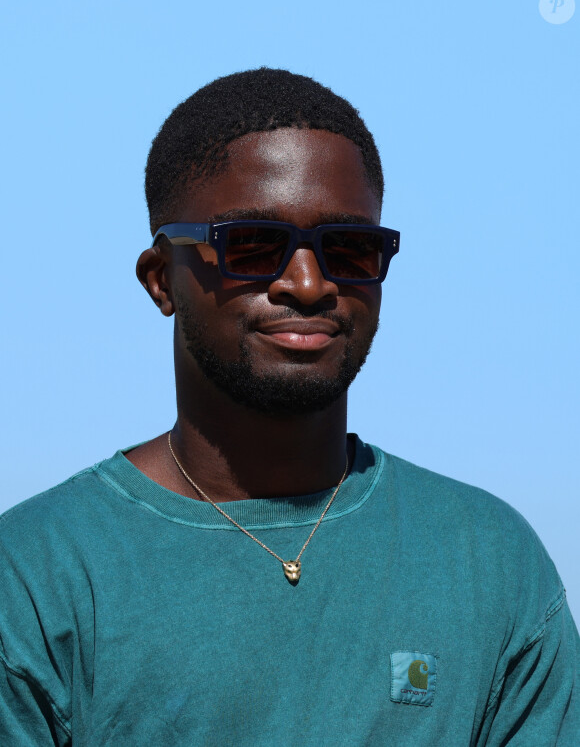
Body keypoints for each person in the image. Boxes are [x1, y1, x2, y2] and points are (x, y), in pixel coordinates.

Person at [0, 68, 577, 746]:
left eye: (351, 249)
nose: (308, 284)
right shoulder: (38, 576)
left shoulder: (488, 562)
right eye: (251, 246)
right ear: (163, 279)